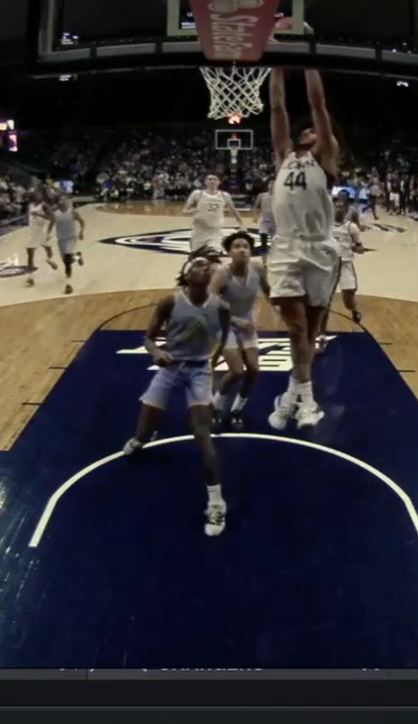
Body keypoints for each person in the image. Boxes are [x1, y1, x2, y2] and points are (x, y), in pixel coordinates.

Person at [123, 256, 232, 536]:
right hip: (171, 367)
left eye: (208, 265)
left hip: (198, 370)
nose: (204, 267)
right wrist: (157, 352)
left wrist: (212, 363)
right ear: (186, 272)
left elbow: (225, 335)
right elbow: (148, 339)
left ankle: (217, 503)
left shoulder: (220, 307)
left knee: (201, 433)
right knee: (144, 431)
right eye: (197, 264)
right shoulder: (169, 302)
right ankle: (141, 439)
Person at [265, 64, 340, 431]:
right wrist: (276, 66)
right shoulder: (283, 155)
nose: (310, 129)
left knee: (308, 333)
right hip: (286, 247)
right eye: (306, 128)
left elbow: (318, 102)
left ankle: (291, 394)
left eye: (314, 128)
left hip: (320, 249)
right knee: (296, 331)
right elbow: (277, 107)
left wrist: (310, 59)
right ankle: (308, 399)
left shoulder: (325, 156)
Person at [209, 231, 269, 429]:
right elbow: (210, 302)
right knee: (236, 371)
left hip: (247, 323)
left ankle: (237, 408)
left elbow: (270, 292)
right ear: (229, 252)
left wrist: (284, 308)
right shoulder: (222, 273)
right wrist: (234, 320)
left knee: (253, 370)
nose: (242, 249)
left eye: (246, 246)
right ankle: (215, 405)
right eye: (237, 246)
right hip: (225, 324)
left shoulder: (258, 268)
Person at [317, 199, 364, 352]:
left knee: (347, 299)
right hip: (328, 265)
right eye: (336, 206)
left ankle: (354, 308)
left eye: (340, 207)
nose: (338, 209)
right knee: (325, 303)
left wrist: (358, 249)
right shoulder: (325, 225)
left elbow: (359, 246)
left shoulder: (352, 227)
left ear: (345, 210)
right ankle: (321, 336)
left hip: (345, 264)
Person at [183, 175, 244, 257]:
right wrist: (192, 211)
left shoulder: (224, 195)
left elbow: (234, 210)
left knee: (214, 256)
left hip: (215, 232)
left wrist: (241, 224)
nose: (212, 181)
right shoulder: (197, 194)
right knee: (197, 260)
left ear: (218, 182)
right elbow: (185, 210)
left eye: (215, 179)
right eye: (210, 179)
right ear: (205, 182)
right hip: (199, 232)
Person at [46, 195, 86, 295]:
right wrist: (48, 234)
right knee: (66, 261)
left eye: (63, 200)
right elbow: (51, 224)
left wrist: (81, 232)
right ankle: (77, 256)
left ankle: (68, 284)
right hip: (61, 240)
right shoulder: (55, 214)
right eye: (60, 200)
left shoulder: (72, 212)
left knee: (67, 261)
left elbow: (82, 221)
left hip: (71, 238)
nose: (62, 201)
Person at [24, 191, 59, 288]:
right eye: (37, 194)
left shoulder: (44, 206)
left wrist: (39, 215)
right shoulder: (30, 205)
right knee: (30, 254)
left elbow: (53, 218)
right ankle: (30, 278)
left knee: (47, 249)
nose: (38, 195)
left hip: (41, 230)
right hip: (32, 232)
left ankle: (50, 259)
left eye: (39, 194)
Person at [253, 179, 276, 252]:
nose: (272, 185)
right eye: (270, 184)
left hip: (275, 218)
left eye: (274, 184)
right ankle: (264, 254)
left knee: (274, 239)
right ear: (268, 185)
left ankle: (273, 254)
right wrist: (255, 216)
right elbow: (255, 206)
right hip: (264, 218)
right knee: (263, 236)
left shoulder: (279, 196)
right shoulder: (261, 195)